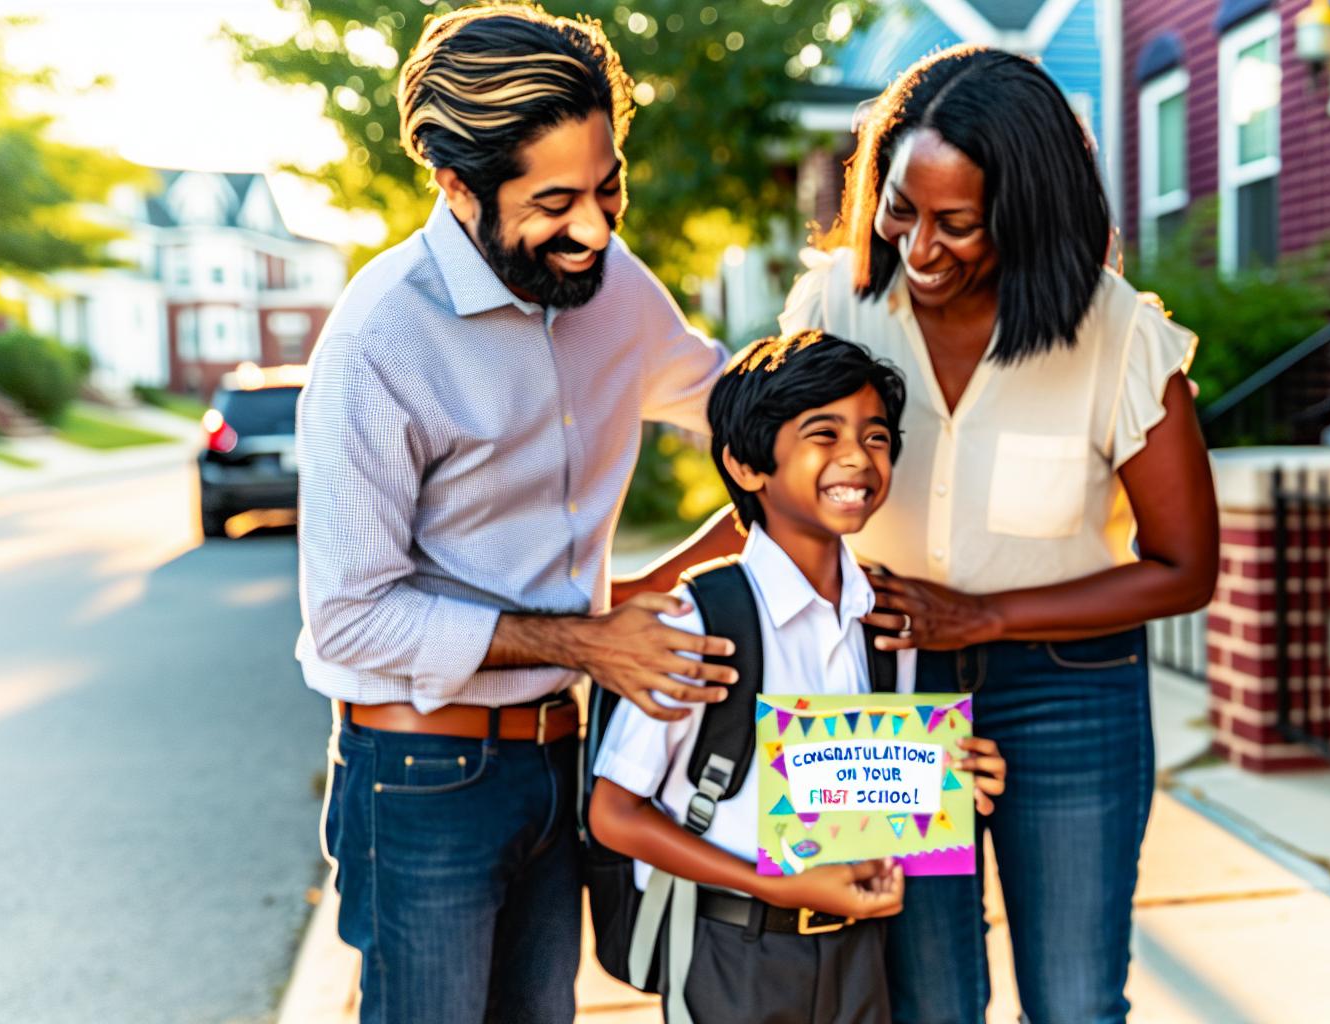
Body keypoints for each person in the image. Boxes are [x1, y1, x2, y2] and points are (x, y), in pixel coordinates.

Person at [622, 43, 1220, 1023]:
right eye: (902, 208)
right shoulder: (835, 303)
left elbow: (1184, 567)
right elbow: (784, 492)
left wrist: (983, 615)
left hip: (1068, 692)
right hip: (875, 690)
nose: (919, 248)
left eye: (957, 224)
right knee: (925, 1001)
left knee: (1074, 1001)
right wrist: (635, 595)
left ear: (1024, 216)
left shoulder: (1115, 333)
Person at [295, 6, 738, 1022]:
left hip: (557, 758)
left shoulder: (613, 284)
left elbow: (735, 412)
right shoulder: (380, 337)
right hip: (419, 776)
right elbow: (352, 616)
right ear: (456, 187)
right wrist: (593, 641)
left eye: (608, 186)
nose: (592, 227)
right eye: (554, 202)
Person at [588, 331, 1008, 1024]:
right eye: (824, 433)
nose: (858, 457)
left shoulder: (885, 622)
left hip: (857, 950)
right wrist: (774, 886)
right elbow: (614, 814)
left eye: (876, 436)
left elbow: (867, 799)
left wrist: (953, 782)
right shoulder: (702, 622)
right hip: (730, 950)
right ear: (748, 465)